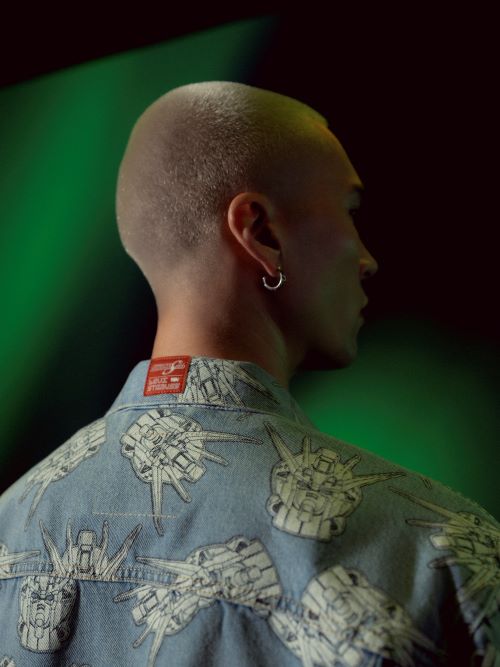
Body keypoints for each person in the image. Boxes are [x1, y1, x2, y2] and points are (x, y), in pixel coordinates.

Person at [0, 81, 498, 667]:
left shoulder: (10, 526)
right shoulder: (441, 554)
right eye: (349, 212)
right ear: (261, 232)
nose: (368, 258)